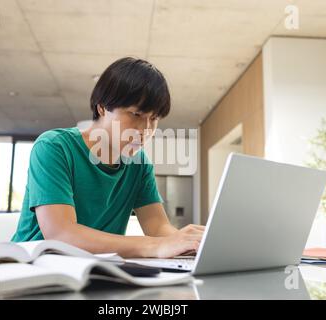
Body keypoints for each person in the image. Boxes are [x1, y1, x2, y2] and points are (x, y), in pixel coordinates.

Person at [11, 57, 204, 258]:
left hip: (96, 271)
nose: (146, 129)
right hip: (34, 269)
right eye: (136, 114)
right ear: (102, 108)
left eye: (153, 118)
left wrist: (190, 242)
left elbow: (158, 227)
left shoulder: (139, 164)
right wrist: (153, 246)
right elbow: (61, 234)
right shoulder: (54, 147)